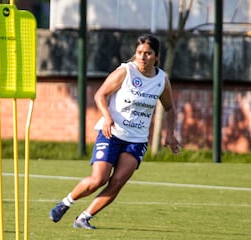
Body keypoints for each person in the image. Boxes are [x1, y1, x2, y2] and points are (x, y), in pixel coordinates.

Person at [49, 34, 180, 229]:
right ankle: (65, 203)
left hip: (137, 140)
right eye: (139, 53)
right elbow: (100, 94)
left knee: (117, 181)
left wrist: (170, 134)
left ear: (157, 57)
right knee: (98, 179)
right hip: (112, 133)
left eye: (148, 53)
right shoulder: (126, 71)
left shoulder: (161, 80)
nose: (143, 57)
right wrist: (107, 118)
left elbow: (169, 108)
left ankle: (83, 218)